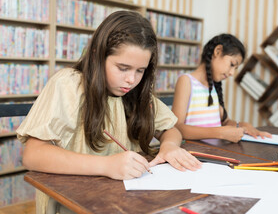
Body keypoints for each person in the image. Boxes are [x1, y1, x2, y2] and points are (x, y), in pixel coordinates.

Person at [17, 11, 201, 213]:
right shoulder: (69, 84)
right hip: (74, 203)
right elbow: (33, 155)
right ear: (97, 54)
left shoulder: (137, 93)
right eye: (123, 68)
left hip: (122, 202)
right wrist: (106, 165)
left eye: (140, 70)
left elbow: (171, 129)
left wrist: (170, 146)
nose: (131, 79)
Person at [172, 33, 271, 143]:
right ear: (218, 51)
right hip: (194, 154)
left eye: (236, 68)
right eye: (232, 64)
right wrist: (220, 133)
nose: (232, 73)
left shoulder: (214, 87)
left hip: (216, 153)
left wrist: (243, 125)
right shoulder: (186, 81)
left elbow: (225, 122)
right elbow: (177, 127)